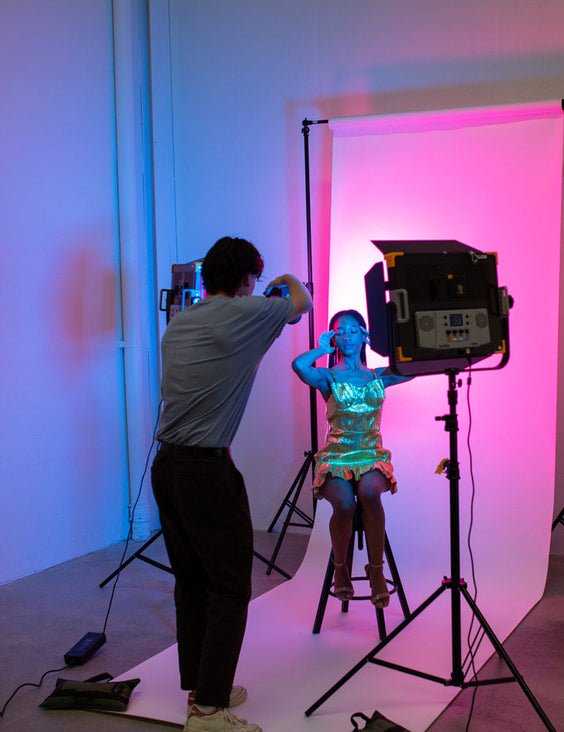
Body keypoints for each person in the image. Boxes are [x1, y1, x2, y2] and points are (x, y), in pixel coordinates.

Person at [151, 236, 312, 732]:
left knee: (192, 583)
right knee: (229, 587)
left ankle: (202, 685)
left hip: (167, 466)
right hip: (205, 470)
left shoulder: (181, 321)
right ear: (247, 280)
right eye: (253, 280)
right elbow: (301, 302)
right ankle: (207, 709)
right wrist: (283, 281)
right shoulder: (248, 313)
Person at [292, 309, 410, 609]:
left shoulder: (378, 375)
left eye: (353, 330)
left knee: (369, 493)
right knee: (345, 504)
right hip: (337, 456)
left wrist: (385, 342)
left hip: (371, 454)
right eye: (339, 332)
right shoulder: (328, 377)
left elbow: (413, 367)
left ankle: (376, 570)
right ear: (334, 338)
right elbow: (299, 365)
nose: (346, 337)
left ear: (364, 335)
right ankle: (340, 567)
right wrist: (321, 349)